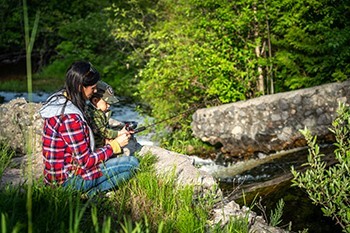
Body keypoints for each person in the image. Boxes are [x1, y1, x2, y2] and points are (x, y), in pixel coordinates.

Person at [39, 61, 139, 197]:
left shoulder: (59, 99)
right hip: (67, 181)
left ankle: (86, 194)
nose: (95, 91)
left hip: (58, 175)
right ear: (81, 87)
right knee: (133, 164)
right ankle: (81, 194)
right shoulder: (70, 118)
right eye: (93, 88)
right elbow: (85, 161)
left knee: (124, 170)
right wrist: (115, 145)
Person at [86, 80, 142, 157]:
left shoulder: (100, 111)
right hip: (97, 148)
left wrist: (120, 133)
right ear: (95, 100)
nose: (109, 105)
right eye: (106, 103)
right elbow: (103, 131)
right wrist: (119, 134)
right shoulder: (93, 114)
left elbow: (106, 128)